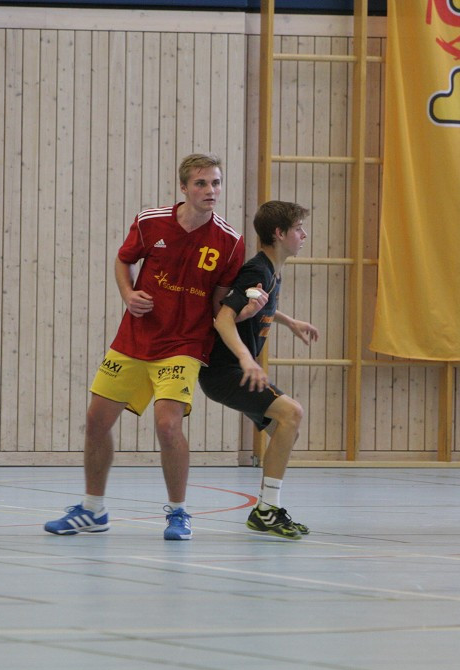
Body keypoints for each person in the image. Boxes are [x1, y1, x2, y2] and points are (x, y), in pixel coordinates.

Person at [44, 153, 250, 541]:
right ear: (184, 187)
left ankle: (178, 513)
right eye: (202, 183)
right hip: (134, 338)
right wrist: (128, 294)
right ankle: (93, 510)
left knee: (168, 425)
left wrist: (253, 318)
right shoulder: (150, 221)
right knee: (95, 421)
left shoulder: (230, 241)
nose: (211, 191)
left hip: (184, 343)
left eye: (217, 183)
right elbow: (124, 262)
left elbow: (220, 305)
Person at [199, 200, 319, 539]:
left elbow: (253, 305)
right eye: (298, 229)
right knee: (292, 413)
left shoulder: (271, 271)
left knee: (287, 430)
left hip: (232, 372)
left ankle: (268, 506)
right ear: (279, 234)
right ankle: (267, 509)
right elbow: (223, 317)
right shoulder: (258, 270)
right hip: (225, 373)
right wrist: (246, 359)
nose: (304, 234)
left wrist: (288, 320)